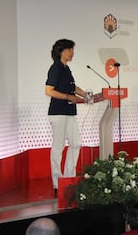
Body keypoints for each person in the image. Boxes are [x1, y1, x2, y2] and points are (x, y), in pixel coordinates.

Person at [45, 39, 88, 197]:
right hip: (58, 112)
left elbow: (73, 87)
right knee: (58, 147)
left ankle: (69, 178)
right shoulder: (55, 68)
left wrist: (87, 95)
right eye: (69, 49)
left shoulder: (66, 68)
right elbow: (49, 91)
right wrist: (68, 96)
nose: (72, 52)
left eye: (72, 49)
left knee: (76, 143)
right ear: (61, 51)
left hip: (69, 112)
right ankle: (57, 183)